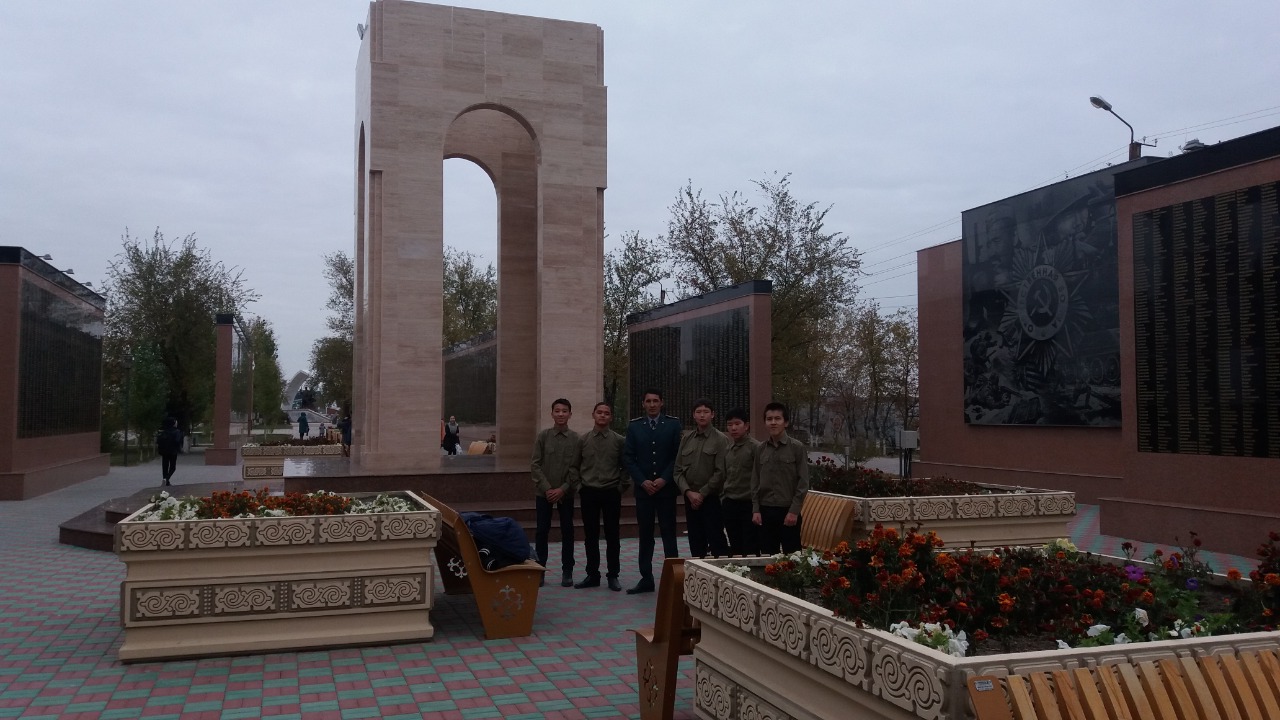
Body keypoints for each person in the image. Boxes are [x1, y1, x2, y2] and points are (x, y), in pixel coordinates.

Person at [622, 388, 682, 594]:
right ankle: (646, 578)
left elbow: (677, 456)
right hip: (644, 491)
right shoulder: (634, 426)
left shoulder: (673, 425)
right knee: (645, 535)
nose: (652, 404)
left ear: (662, 403)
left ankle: (674, 578)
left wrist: (664, 479)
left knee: (669, 534)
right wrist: (642, 481)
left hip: (666, 490)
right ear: (643, 404)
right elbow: (629, 457)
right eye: (648, 401)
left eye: (656, 401)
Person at [574, 402, 626, 591]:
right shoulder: (583, 440)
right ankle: (592, 574)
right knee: (591, 535)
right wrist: (580, 486)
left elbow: (626, 466)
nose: (602, 416)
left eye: (606, 413)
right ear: (593, 415)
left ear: (611, 417)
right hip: (589, 492)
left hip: (611, 491)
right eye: (599, 412)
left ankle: (613, 575)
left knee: (613, 535)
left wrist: (621, 486)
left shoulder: (619, 441)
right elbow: (574, 466)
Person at [531, 399, 580, 587]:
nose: (560, 414)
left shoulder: (576, 439)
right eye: (557, 411)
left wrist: (562, 489)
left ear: (570, 414)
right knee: (542, 531)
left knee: (567, 531)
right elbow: (535, 465)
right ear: (551, 413)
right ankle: (540, 570)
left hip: (566, 494)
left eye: (564, 411)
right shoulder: (543, 436)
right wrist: (547, 488)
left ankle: (567, 571)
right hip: (544, 493)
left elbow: (576, 468)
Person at [675, 398, 731, 558]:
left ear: (712, 414)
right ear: (693, 415)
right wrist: (688, 492)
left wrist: (702, 494)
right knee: (695, 541)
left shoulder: (720, 439)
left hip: (711, 498)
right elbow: (677, 470)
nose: (702, 415)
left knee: (716, 541)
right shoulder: (687, 439)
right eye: (698, 412)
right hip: (690, 499)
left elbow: (721, 472)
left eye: (706, 412)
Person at [751, 402, 808, 555]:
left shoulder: (797, 448)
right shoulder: (760, 449)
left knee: (792, 558)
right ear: (765, 422)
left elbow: (803, 482)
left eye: (777, 418)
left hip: (788, 511)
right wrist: (756, 510)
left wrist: (794, 511)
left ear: (786, 422)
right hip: (765, 511)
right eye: (769, 419)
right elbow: (755, 481)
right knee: (767, 557)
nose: (773, 422)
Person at [720, 407, 760, 556]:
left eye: (737, 424)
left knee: (750, 548)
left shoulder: (756, 448)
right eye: (730, 424)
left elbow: (760, 478)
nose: (733, 428)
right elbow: (725, 476)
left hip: (748, 504)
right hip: (730, 504)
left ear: (746, 425)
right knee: (735, 546)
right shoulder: (728, 448)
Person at [155, 417, 182, 487]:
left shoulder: (164, 432)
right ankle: (166, 479)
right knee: (172, 467)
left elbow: (158, 441)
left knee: (165, 466)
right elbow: (177, 441)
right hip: (173, 451)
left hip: (164, 452)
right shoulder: (177, 431)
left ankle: (166, 481)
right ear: (173, 423)